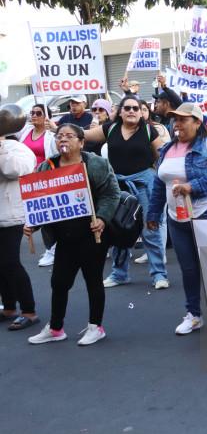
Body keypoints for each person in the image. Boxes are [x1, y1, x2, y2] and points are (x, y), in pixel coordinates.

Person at [25, 123, 120, 345]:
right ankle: (56, 328)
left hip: (91, 233)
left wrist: (102, 217)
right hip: (64, 236)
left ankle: (96, 327)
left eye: (69, 136)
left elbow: (111, 193)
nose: (63, 140)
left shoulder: (96, 164)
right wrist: (33, 225)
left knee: (93, 280)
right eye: (59, 136)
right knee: (59, 282)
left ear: (81, 142)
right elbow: (40, 202)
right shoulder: (46, 167)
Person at [147, 103, 207, 334]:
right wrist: (153, 213)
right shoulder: (166, 149)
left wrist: (192, 186)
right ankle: (194, 315)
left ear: (197, 122)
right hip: (177, 220)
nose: (177, 124)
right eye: (175, 119)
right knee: (189, 269)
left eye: (183, 119)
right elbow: (159, 184)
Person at [82, 96, 167, 289]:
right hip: (117, 188)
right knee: (118, 229)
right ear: (120, 111)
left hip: (143, 186)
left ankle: (159, 275)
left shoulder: (149, 130)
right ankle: (119, 275)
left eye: (136, 108)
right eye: (127, 108)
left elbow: (162, 157)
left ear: (141, 112)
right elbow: (85, 135)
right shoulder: (110, 128)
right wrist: (60, 130)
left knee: (150, 229)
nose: (131, 111)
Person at [0, 135, 40, 331]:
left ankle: (29, 311)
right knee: (1, 265)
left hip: (11, 216)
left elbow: (17, 170)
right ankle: (9, 308)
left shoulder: (16, 147)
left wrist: (1, 148)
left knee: (10, 263)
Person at [16, 104, 60, 267]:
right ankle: (51, 248)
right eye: (32, 112)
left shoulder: (51, 135)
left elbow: (57, 156)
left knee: (47, 215)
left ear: (46, 116)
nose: (34, 115)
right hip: (27, 181)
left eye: (38, 113)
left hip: (45, 179)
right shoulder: (25, 132)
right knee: (33, 214)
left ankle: (52, 250)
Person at [134, 99, 170, 265]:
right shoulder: (129, 131)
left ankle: (160, 253)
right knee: (145, 216)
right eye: (137, 109)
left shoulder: (158, 129)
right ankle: (150, 251)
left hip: (156, 174)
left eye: (143, 109)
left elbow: (164, 153)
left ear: (149, 111)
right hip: (139, 177)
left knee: (159, 216)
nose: (140, 112)